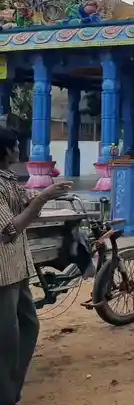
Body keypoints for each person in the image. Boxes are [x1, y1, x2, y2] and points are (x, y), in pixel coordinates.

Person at [0, 127, 72, 405]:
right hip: (3, 274)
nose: (20, 150)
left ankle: (10, 390)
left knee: (29, 326)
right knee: (6, 341)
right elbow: (8, 229)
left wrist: (46, 196)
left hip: (18, 268)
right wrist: (42, 198)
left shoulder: (8, 179)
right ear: (6, 151)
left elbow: (23, 205)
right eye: (16, 146)